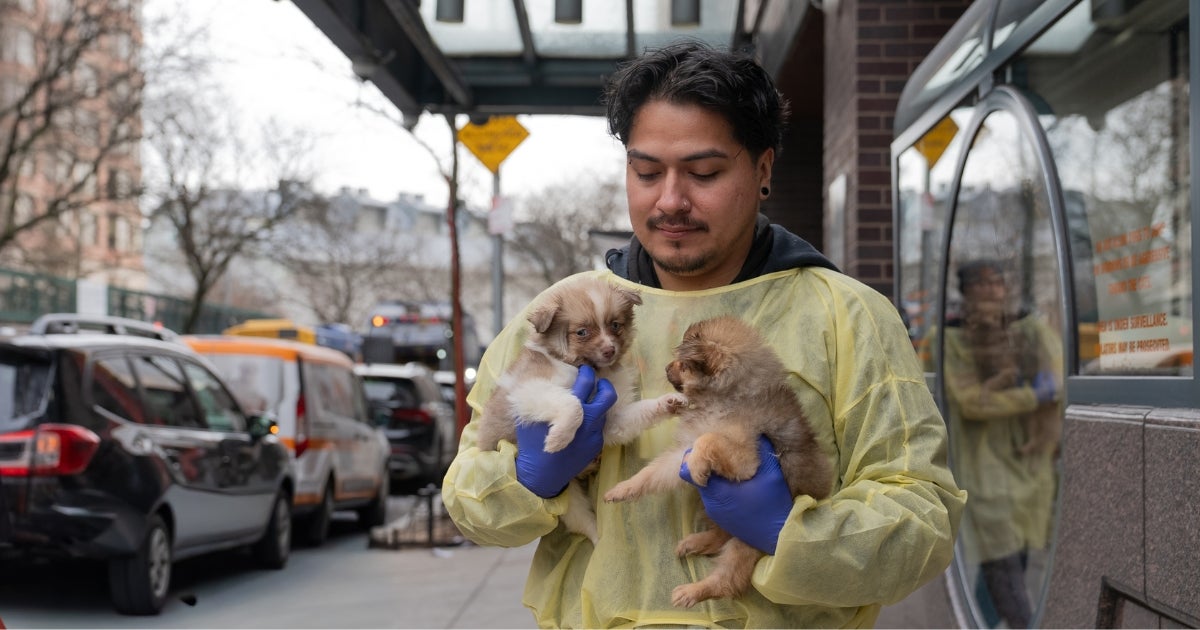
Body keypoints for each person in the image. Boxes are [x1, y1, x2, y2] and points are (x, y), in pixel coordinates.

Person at [442, 40, 966, 628]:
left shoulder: (848, 317)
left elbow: (922, 517)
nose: (670, 200)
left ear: (763, 169)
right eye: (646, 172)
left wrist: (788, 533)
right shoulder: (561, 313)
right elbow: (468, 502)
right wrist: (528, 479)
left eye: (704, 172)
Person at [937, 259, 1061, 629]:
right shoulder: (951, 337)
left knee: (1012, 561)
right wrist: (1032, 397)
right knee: (1001, 563)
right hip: (984, 467)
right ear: (967, 291)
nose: (991, 290)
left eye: (998, 283)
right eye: (982, 284)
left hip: (1029, 464)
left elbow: (1057, 379)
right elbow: (973, 402)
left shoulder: (1029, 328)